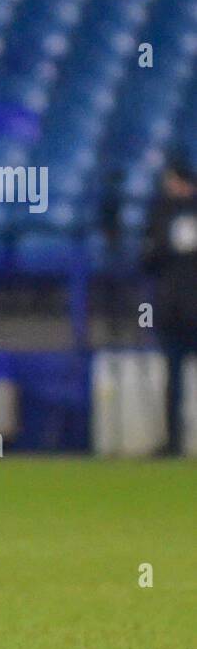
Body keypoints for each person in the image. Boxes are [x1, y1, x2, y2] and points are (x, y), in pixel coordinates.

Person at [141, 151, 197, 456]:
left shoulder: (163, 212)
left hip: (178, 307)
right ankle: (173, 441)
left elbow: (147, 258)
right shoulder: (161, 212)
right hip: (173, 310)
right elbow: (147, 258)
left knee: (174, 380)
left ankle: (174, 442)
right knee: (173, 381)